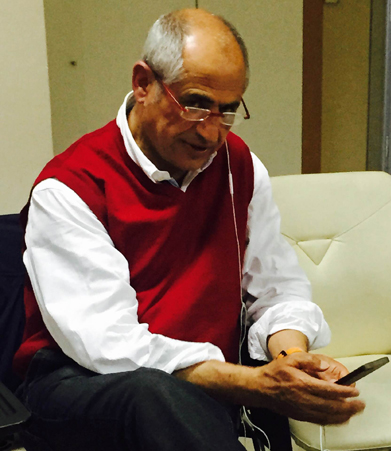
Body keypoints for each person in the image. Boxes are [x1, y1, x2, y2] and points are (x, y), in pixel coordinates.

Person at [13, 8, 365, 451]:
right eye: (196, 104)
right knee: (154, 396)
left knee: (201, 399)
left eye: (228, 110)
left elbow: (277, 290)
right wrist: (253, 384)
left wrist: (292, 360)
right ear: (143, 83)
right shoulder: (71, 187)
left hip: (197, 383)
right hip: (81, 382)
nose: (211, 133)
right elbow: (109, 346)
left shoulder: (238, 168)